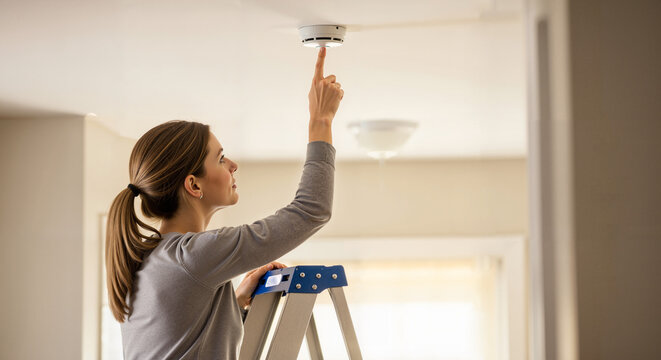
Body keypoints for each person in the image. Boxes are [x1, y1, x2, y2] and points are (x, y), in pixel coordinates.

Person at [105, 47, 343, 359]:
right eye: (219, 159)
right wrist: (320, 121)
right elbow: (310, 211)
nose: (232, 165)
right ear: (193, 185)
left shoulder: (152, 259)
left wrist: (233, 299)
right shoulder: (194, 256)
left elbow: (181, 334)